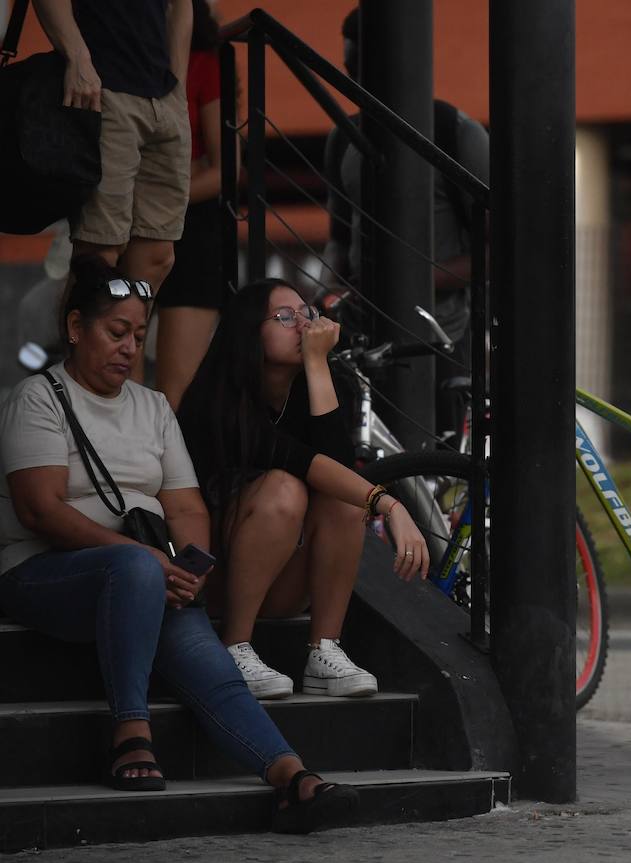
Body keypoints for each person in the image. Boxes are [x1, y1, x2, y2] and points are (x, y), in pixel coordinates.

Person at [0, 256, 357, 832]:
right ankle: (130, 733)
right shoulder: (37, 397)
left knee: (208, 663)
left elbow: (186, 505)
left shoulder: (153, 405)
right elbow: (39, 508)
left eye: (139, 336)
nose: (129, 348)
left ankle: (291, 775)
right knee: (136, 571)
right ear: (74, 328)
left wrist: (190, 567)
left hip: (142, 573)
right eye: (116, 332)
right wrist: (143, 558)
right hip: (45, 571)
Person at [177, 279, 429, 700]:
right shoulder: (218, 397)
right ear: (249, 332)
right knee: (285, 488)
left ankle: (324, 650)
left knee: (343, 498)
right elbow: (301, 462)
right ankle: (234, 647)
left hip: (282, 586)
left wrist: (318, 367)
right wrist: (392, 506)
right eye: (285, 317)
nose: (304, 325)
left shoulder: (317, 386)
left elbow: (339, 472)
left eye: (307, 314)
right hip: (211, 584)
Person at [323, 6, 490, 435]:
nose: (353, 80)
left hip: (445, 335)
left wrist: (414, 278)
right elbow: (339, 238)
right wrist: (330, 297)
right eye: (348, 68)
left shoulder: (455, 132)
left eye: (363, 67)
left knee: (444, 459)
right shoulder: (344, 136)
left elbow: (501, 248)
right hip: (363, 332)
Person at [32, 0, 194, 381]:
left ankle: (121, 390)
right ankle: (81, 388)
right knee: (99, 256)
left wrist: (177, 87)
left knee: (156, 255)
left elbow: (181, 6)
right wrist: (78, 57)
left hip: (162, 94)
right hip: (105, 87)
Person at [154, 0, 230, 410]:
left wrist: (161, 200)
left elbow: (226, 170)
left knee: (176, 391)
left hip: (188, 221)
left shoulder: (205, 63)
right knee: (111, 374)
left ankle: (178, 474)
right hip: (128, 216)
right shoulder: (111, 57)